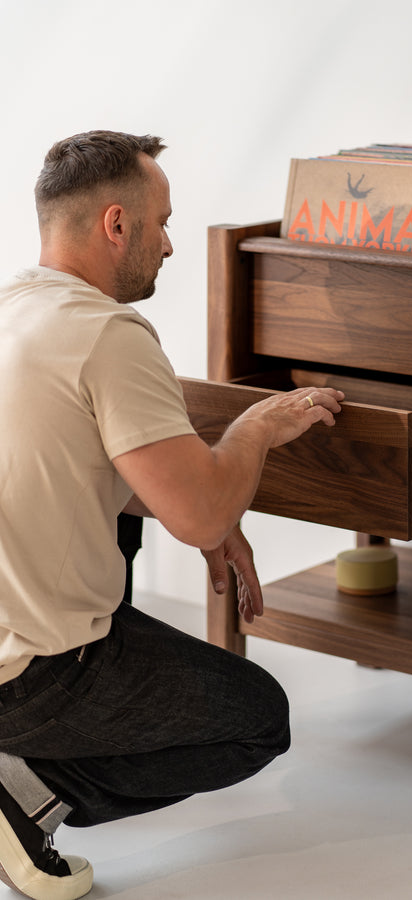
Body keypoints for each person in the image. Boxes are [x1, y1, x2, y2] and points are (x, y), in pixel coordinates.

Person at [0, 131, 344, 900]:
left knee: (124, 519)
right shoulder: (107, 335)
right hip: (26, 680)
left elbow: (86, 470)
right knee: (258, 717)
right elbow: (195, 516)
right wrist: (253, 427)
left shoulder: (17, 308)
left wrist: (211, 510)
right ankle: (23, 789)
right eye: (160, 223)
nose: (169, 244)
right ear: (115, 224)